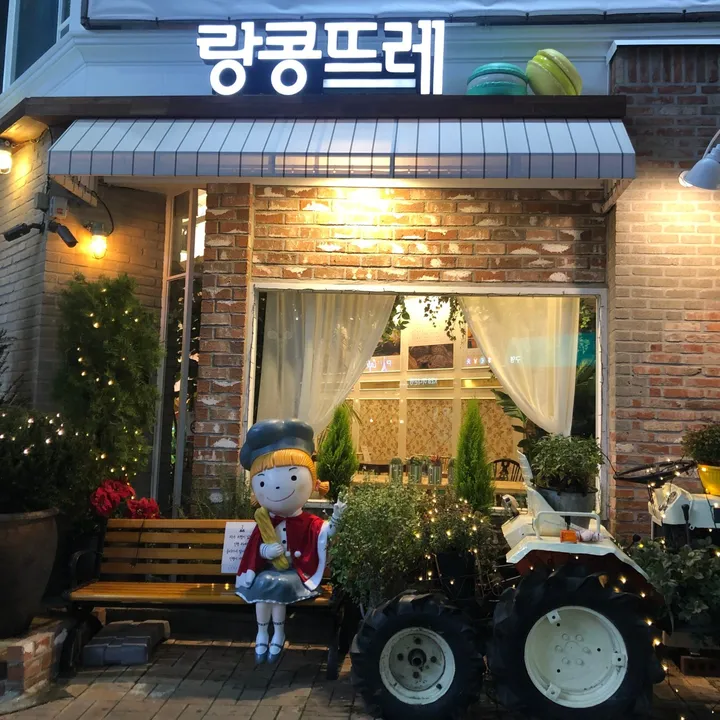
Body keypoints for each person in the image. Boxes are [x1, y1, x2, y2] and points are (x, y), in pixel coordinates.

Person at [237, 419, 346, 664]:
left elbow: (326, 532)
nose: (276, 487)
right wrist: (265, 550)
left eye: (293, 477)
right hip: (269, 572)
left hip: (296, 573)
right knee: (265, 584)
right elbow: (254, 550)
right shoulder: (265, 522)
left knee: (277, 587)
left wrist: (338, 516)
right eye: (263, 482)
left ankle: (279, 633)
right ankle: (262, 633)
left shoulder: (309, 522)